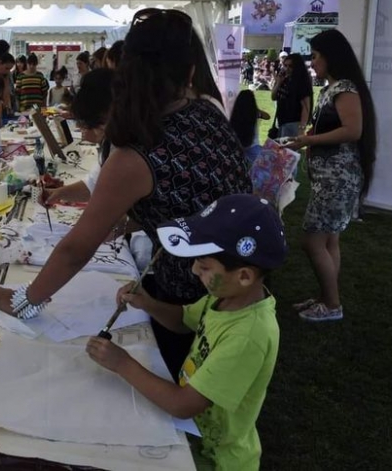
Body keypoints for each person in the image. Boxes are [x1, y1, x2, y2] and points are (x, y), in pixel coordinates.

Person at [0, 8, 251, 379]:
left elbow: (77, 248)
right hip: (241, 283)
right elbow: (196, 195)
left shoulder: (139, 150)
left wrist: (26, 301)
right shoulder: (206, 114)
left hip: (197, 301)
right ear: (190, 72)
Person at [86, 194, 285, 471]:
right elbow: (184, 320)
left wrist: (122, 363)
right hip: (191, 433)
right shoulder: (223, 299)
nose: (194, 270)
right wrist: (148, 303)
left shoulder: (248, 335)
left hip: (218, 458)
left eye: (204, 266)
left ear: (244, 276)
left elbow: (183, 405)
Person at [286, 29, 377, 322]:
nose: (312, 63)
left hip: (337, 180)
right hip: (330, 178)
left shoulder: (344, 89)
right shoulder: (333, 89)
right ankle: (326, 298)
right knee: (329, 241)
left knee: (312, 241)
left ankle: (333, 304)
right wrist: (310, 137)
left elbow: (353, 131)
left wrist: (309, 141)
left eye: (315, 56)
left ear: (330, 56)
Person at [44, 68, 113, 205]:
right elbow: (91, 185)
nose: (79, 128)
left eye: (82, 123)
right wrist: (58, 193)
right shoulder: (109, 146)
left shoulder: (122, 154)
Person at [271, 53, 313, 138]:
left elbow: (306, 107)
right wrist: (278, 82)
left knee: (287, 149)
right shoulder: (284, 80)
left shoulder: (301, 83)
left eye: (290, 66)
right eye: (285, 65)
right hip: (281, 121)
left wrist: (302, 128)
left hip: (293, 123)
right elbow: (273, 97)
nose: (287, 69)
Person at [230, 90, 271, 165]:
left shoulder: (235, 114)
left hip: (238, 147)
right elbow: (267, 116)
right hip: (253, 146)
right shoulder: (255, 113)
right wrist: (256, 109)